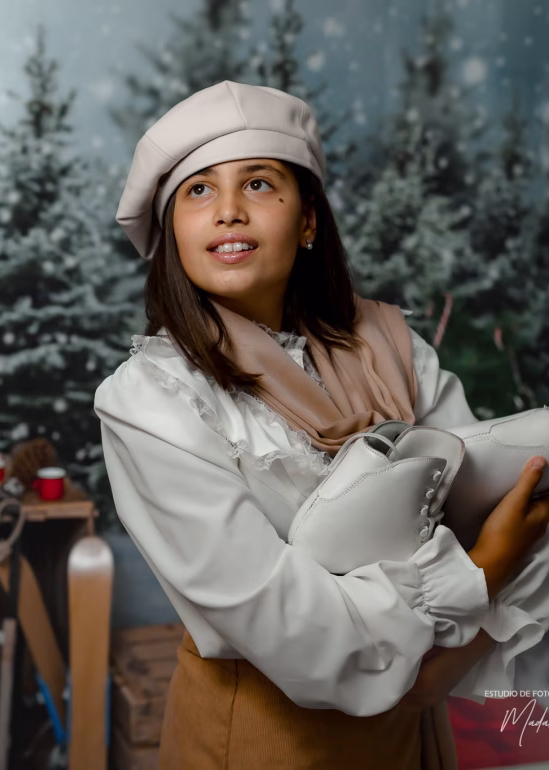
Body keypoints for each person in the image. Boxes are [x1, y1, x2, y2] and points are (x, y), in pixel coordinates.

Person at [93, 81, 549, 769]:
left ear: (308, 220)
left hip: (417, 731)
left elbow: (494, 502)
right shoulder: (152, 401)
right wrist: (475, 575)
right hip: (262, 738)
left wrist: (452, 649)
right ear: (170, 235)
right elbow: (289, 625)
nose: (227, 212)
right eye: (197, 192)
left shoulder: (394, 349)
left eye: (258, 183)